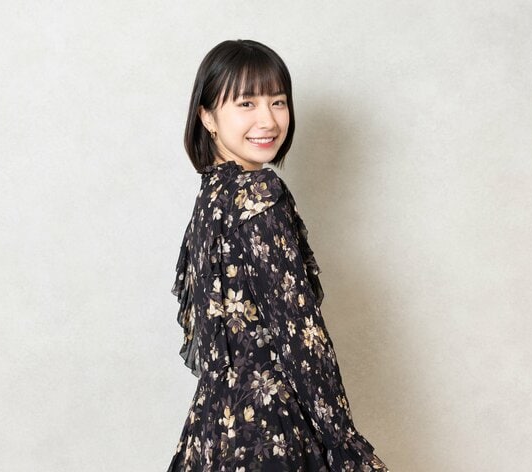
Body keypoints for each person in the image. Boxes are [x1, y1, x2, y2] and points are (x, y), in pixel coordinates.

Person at [167, 39, 389, 471]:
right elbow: (302, 336)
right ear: (207, 116)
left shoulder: (212, 196)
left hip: (212, 434)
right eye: (246, 103)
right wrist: (343, 442)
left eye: (278, 102)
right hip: (272, 433)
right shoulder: (258, 197)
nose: (268, 120)